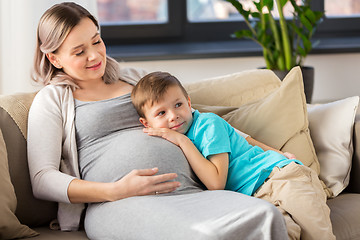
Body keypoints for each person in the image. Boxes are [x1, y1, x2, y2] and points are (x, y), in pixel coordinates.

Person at [27, 2, 289, 239]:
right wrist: (114, 190)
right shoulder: (52, 100)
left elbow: (199, 122)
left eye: (96, 41)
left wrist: (270, 150)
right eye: (79, 51)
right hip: (120, 202)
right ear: (54, 58)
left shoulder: (136, 78)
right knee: (204, 235)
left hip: (192, 191)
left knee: (266, 216)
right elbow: (42, 178)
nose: (95, 56)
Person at [131, 71, 336, 240]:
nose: (173, 115)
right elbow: (246, 139)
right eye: (161, 113)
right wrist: (279, 152)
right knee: (284, 233)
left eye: (178, 105)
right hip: (256, 197)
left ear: (189, 102)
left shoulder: (207, 125)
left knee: (318, 235)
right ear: (146, 124)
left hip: (282, 178)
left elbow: (216, 182)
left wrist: (182, 142)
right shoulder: (173, 138)